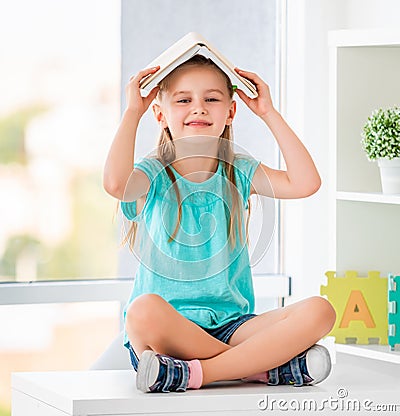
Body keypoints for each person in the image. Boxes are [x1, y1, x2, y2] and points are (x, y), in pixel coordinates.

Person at [103, 54, 336, 393]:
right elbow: (114, 184)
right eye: (184, 100)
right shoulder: (152, 173)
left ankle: (202, 373)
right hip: (167, 335)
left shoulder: (238, 169)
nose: (198, 108)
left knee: (320, 311)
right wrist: (131, 113)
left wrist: (268, 113)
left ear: (230, 111)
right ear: (160, 114)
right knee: (141, 311)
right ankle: (256, 368)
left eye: (211, 99)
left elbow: (306, 182)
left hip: (232, 326)